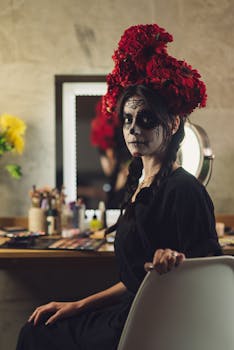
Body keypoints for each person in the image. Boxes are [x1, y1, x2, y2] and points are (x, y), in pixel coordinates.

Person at [16, 24, 222, 350]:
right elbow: (135, 282)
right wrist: (78, 305)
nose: (133, 130)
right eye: (127, 119)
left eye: (146, 119)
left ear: (172, 123)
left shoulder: (184, 191)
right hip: (132, 314)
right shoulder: (141, 186)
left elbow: (207, 277)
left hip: (155, 327)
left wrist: (176, 262)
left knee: (35, 335)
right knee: (40, 324)